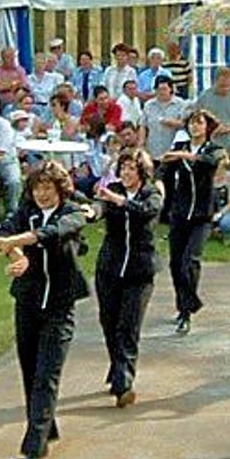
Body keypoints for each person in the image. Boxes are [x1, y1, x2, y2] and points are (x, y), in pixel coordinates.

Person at [0, 161, 92, 459]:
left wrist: (20, 242)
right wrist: (16, 255)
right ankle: (46, 426)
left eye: (48, 188)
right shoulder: (24, 211)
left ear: (60, 190)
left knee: (46, 376)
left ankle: (33, 450)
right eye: (37, 188)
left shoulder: (73, 213)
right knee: (30, 371)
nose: (42, 194)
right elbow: (3, 234)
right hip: (28, 303)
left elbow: (53, 233)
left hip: (60, 308)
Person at [92, 148, 162, 407]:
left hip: (139, 271)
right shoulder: (113, 190)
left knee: (128, 327)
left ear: (142, 171)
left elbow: (147, 211)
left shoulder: (151, 193)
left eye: (131, 168)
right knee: (109, 322)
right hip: (109, 268)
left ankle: (123, 383)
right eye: (122, 168)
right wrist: (93, 211)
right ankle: (117, 365)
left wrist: (119, 201)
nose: (126, 173)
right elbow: (100, 206)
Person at [160, 110, 220, 334]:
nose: (195, 127)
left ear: (206, 126)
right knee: (176, 263)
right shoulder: (179, 150)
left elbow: (212, 161)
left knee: (190, 260)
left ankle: (187, 309)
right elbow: (163, 170)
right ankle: (183, 305)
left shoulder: (213, 149)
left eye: (199, 123)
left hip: (202, 215)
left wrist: (184, 156)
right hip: (180, 214)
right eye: (191, 124)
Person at [211, 149, 230, 245]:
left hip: (226, 209)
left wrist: (219, 214)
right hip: (209, 209)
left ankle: (227, 235)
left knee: (227, 223)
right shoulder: (206, 176)